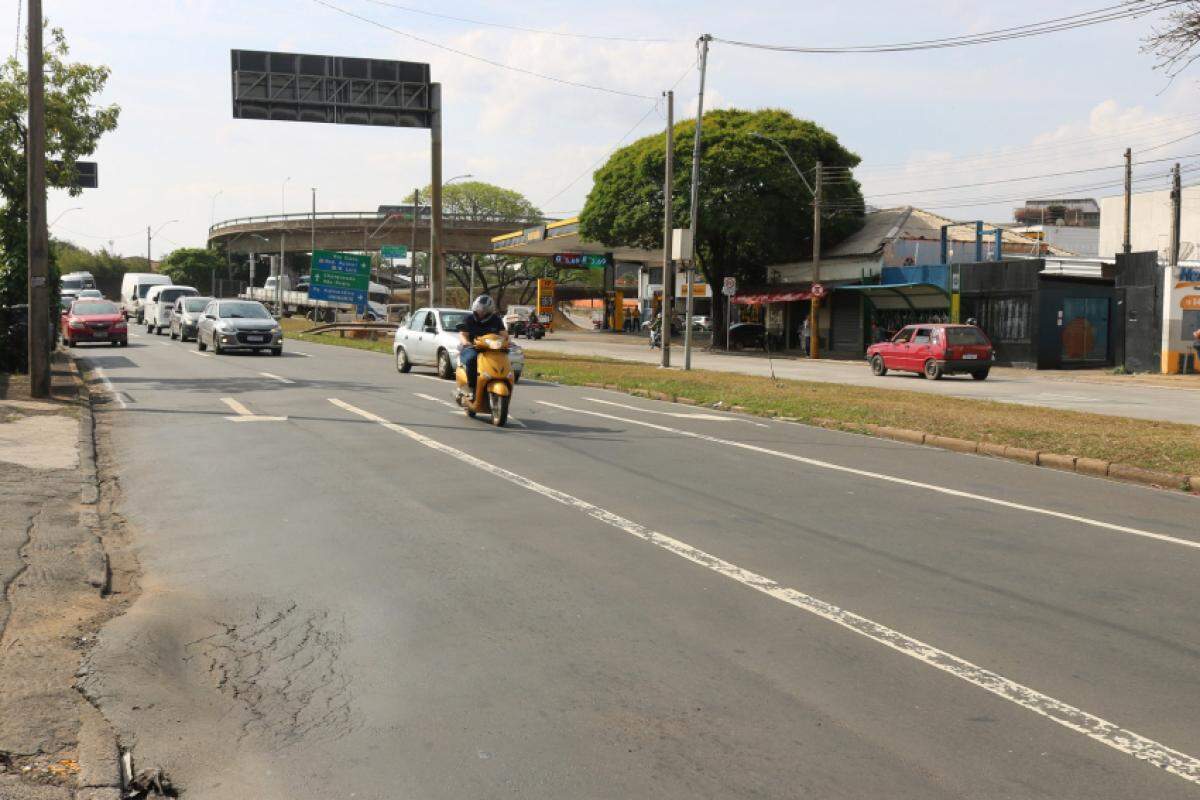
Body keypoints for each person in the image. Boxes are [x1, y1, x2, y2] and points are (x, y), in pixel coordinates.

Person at [457, 295, 506, 399]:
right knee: (472, 359)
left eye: (483, 309)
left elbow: (504, 335)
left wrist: (507, 342)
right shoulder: (469, 319)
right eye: (478, 308)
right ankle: (471, 388)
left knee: (504, 359)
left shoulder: (496, 320)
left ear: (489, 310)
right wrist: (466, 342)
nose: (480, 311)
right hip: (473, 348)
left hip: (492, 350)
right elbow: (463, 334)